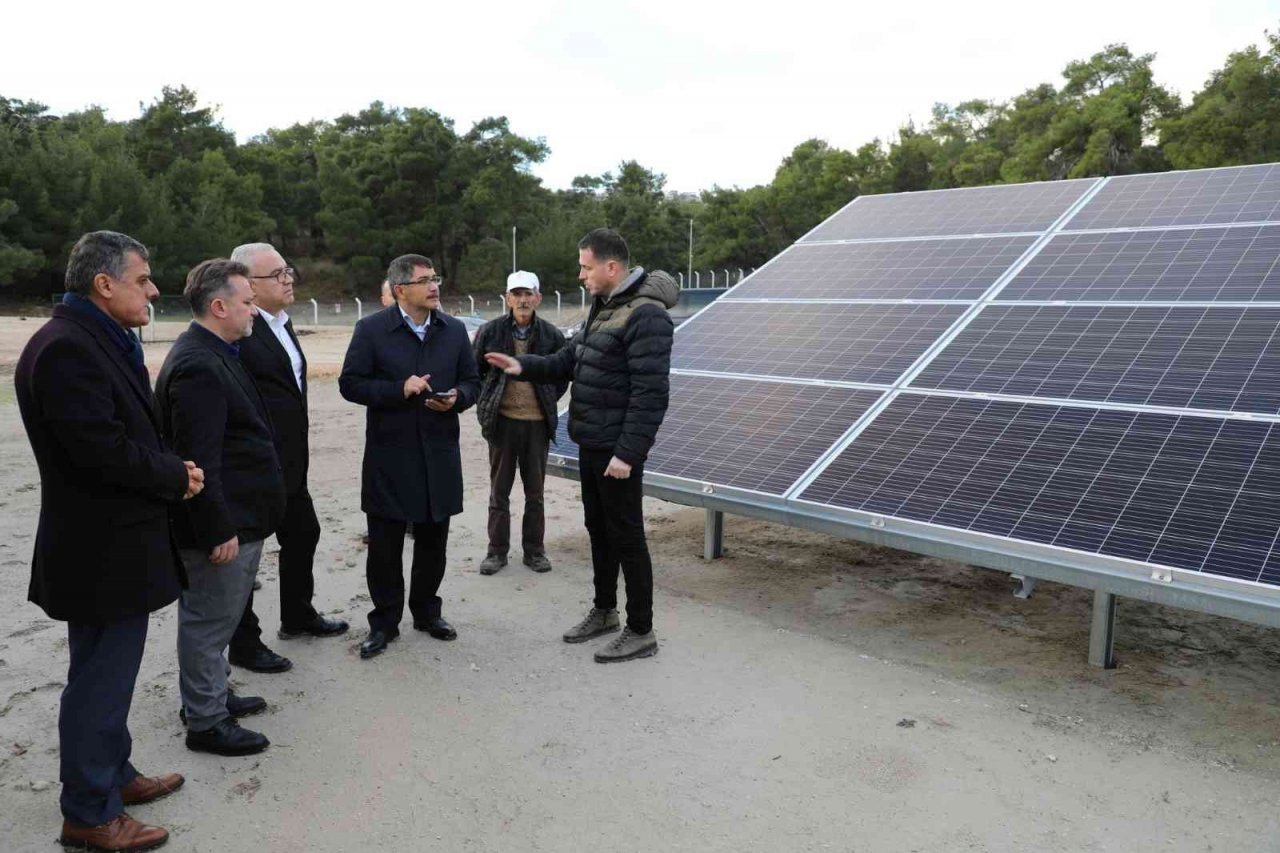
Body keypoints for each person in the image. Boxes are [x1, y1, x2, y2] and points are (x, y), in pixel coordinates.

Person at [15, 230, 201, 851]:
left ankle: (113, 775)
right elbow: (99, 452)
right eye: (143, 279)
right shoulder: (67, 347)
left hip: (113, 543)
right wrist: (175, 476)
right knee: (99, 679)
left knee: (108, 674)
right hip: (99, 550)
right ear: (104, 284)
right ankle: (90, 814)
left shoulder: (95, 337)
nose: (152, 289)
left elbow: (124, 431)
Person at [485, 229, 676, 663]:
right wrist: (522, 366)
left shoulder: (647, 316)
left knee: (628, 539)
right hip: (591, 442)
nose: (581, 274)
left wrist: (628, 454)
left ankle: (641, 630)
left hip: (617, 452)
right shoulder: (605, 306)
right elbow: (571, 359)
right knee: (599, 532)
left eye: (586, 266)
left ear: (612, 267)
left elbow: (651, 395)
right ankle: (605, 610)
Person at [156, 259, 286, 756]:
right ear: (219, 306)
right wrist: (217, 529)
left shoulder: (219, 351)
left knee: (219, 619)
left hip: (242, 515)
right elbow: (198, 459)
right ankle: (206, 722)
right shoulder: (198, 365)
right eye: (248, 302)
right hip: (224, 522)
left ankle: (209, 697)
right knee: (209, 622)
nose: (254, 311)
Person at [339, 254, 480, 659]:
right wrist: (398, 389)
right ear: (400, 289)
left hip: (439, 454)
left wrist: (457, 400)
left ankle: (427, 612)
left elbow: (473, 382)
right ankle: (384, 622)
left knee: (434, 540)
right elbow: (351, 384)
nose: (434, 286)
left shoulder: (454, 331)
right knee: (384, 546)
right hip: (390, 455)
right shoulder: (371, 330)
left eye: (436, 278)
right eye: (424, 281)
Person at [228, 243, 348, 658]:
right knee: (246, 557)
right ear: (247, 284)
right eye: (277, 275)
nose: (289, 278)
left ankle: (297, 615)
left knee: (303, 533)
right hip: (255, 465)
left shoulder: (282, 322)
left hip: (292, 464)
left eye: (288, 271)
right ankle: (244, 642)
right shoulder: (240, 331)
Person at [472, 270, 567, 575]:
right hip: (502, 424)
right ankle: (496, 552)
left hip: (537, 425)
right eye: (517, 294)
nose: (523, 300)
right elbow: (476, 373)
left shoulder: (552, 335)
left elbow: (560, 376)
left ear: (538, 298)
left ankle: (534, 552)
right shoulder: (490, 332)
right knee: (499, 492)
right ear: (507, 298)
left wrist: (545, 398)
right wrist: (489, 402)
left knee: (535, 493)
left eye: (529, 294)